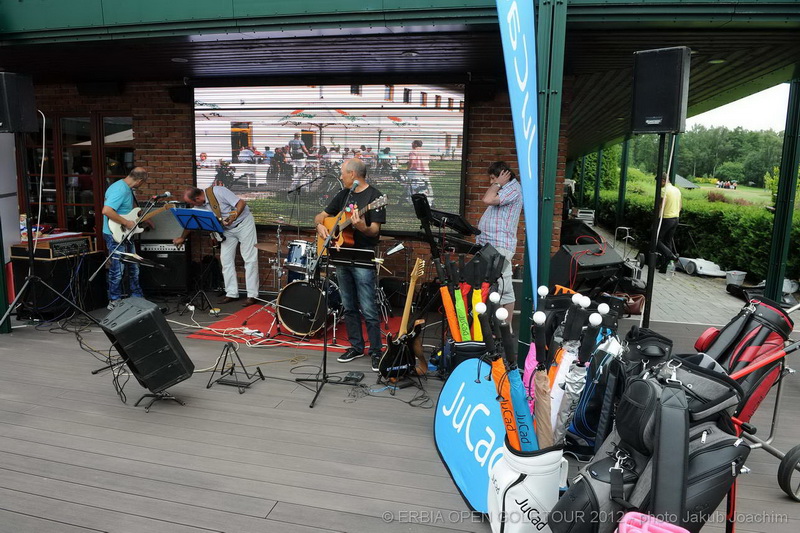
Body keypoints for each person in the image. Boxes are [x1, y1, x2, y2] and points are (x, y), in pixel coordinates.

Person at [314, 158, 386, 371]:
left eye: (342, 173)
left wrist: (362, 227)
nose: (341, 176)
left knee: (368, 307)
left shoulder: (375, 197)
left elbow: (374, 231)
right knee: (348, 305)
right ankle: (356, 346)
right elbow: (321, 216)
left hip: (362, 257)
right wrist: (320, 226)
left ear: (353, 174)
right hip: (341, 256)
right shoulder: (343, 194)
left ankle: (376, 350)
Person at [173, 186, 260, 306]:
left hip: (244, 224)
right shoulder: (198, 206)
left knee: (250, 259)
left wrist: (232, 217)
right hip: (226, 230)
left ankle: (252, 295)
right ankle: (231, 293)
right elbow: (190, 223)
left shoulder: (218, 191)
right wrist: (182, 237)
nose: (192, 206)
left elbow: (241, 203)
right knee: (226, 260)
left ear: (197, 198)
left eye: (192, 203)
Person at [476, 161, 523, 320]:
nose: (491, 182)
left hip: (500, 246)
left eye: (493, 178)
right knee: (496, 287)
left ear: (503, 175)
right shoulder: (504, 189)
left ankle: (506, 329)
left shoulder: (512, 189)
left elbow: (487, 199)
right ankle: (496, 325)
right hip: (491, 244)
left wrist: (497, 183)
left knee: (504, 289)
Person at [101, 167, 149, 310]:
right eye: (143, 183)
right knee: (118, 269)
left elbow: (126, 209)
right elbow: (106, 210)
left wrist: (141, 217)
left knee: (134, 265)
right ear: (139, 181)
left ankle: (137, 296)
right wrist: (126, 223)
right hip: (115, 234)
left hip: (125, 233)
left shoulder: (125, 188)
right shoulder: (120, 189)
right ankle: (114, 300)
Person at [657, 172, 682, 273]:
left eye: (659, 181)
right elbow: (680, 205)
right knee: (667, 241)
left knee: (656, 240)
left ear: (663, 180)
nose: (658, 184)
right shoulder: (677, 190)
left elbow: (660, 206)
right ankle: (664, 267)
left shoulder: (664, 190)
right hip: (675, 218)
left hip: (666, 218)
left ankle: (671, 255)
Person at [407, 139, 433, 204]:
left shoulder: (413, 152)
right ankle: (428, 202)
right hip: (425, 172)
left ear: (415, 144)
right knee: (426, 187)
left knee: (414, 188)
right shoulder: (426, 152)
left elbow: (412, 162)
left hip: (415, 172)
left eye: (412, 143)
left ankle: (414, 202)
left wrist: (407, 169)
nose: (411, 145)